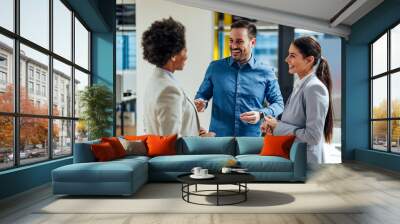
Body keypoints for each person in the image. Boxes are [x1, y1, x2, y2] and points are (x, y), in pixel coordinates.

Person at [194, 20, 284, 137]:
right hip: (218, 141)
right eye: (231, 41)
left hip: (250, 142)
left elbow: (279, 104)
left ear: (252, 42)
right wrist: (201, 103)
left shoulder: (266, 72)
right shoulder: (215, 68)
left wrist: (260, 114)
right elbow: (201, 96)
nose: (234, 46)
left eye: (239, 41)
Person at [261, 36, 334, 164]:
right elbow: (294, 122)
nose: (286, 59)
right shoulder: (300, 85)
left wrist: (278, 126)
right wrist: (273, 125)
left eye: (292, 55)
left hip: (306, 164)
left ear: (309, 60)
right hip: (293, 158)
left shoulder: (314, 88)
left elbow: (312, 137)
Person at [141, 17, 214, 137]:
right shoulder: (168, 89)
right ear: (173, 55)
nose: (186, 55)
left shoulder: (157, 80)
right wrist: (203, 140)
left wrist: (193, 129)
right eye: (184, 50)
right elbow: (171, 144)